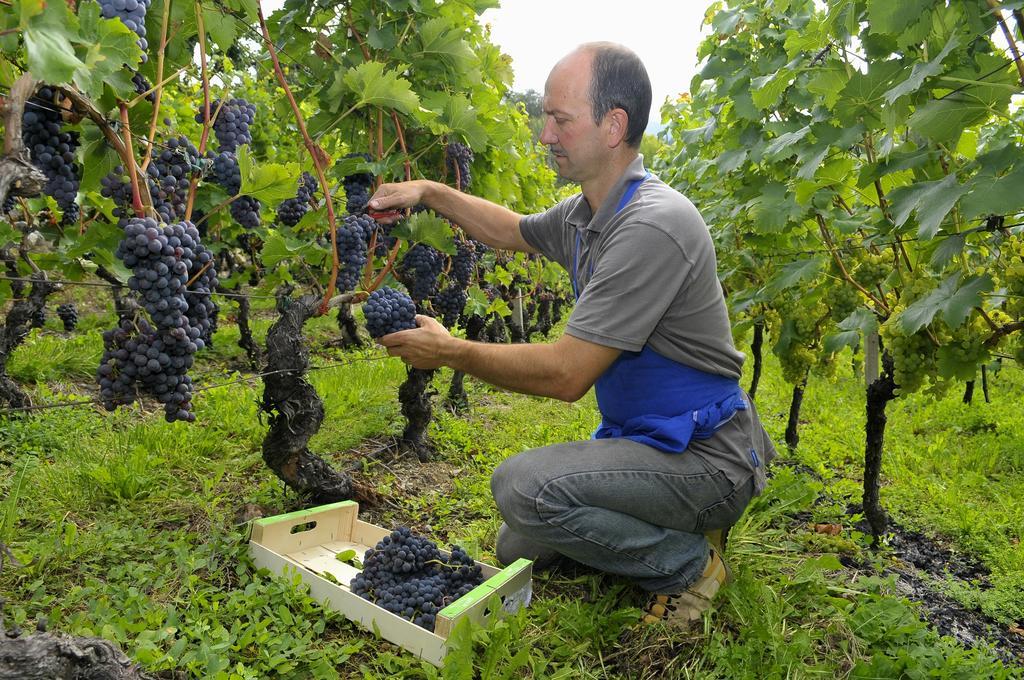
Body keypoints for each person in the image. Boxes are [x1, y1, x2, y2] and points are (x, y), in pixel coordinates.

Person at [366, 41, 777, 630]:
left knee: (521, 489)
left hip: (707, 457)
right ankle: (664, 528)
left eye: (560, 119)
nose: (544, 134)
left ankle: (687, 562)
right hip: (648, 443)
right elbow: (508, 231)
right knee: (516, 545)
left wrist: (451, 351)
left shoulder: (652, 226)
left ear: (613, 126)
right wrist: (430, 192)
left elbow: (567, 375)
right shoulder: (588, 213)